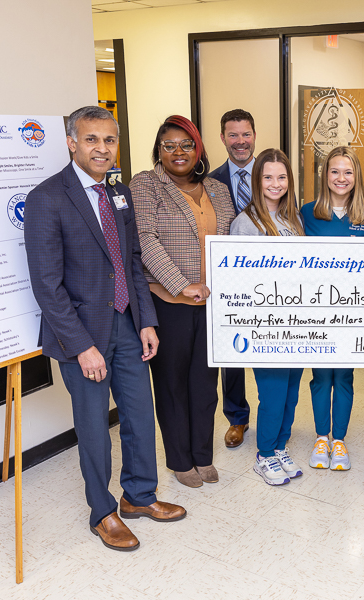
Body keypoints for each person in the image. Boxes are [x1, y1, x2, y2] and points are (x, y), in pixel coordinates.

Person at [24, 106, 186, 552]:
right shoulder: (46, 198)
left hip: (128, 325)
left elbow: (130, 261)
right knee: (94, 427)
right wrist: (81, 347)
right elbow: (47, 286)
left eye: (110, 140)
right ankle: (104, 512)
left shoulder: (119, 194)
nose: (102, 148)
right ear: (72, 143)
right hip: (82, 335)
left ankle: (139, 497)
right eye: (92, 139)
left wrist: (147, 321)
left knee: (138, 415)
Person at [131, 115, 235, 489]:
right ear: (158, 150)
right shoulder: (145, 185)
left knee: (205, 383)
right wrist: (182, 285)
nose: (178, 152)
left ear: (198, 149)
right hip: (168, 303)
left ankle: (202, 455)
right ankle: (179, 459)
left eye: (186, 144)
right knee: (172, 384)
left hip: (213, 304)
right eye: (169, 145)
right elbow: (145, 240)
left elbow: (230, 242)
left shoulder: (217, 189)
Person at [230, 148, 306, 486]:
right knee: (273, 393)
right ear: (257, 180)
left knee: (291, 391)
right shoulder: (245, 223)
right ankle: (264, 455)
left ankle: (278, 447)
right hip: (266, 327)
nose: (275, 184)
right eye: (268, 177)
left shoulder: (294, 219)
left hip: (297, 322)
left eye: (281, 177)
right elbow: (237, 281)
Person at [301, 146, 364, 471]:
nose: (341, 178)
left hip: (353, 313)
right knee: (320, 378)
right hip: (317, 311)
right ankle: (321, 436)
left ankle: (340, 440)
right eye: (335, 171)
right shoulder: (307, 212)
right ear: (324, 175)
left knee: (344, 377)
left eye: (348, 172)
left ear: (357, 177)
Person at [209, 109, 257, 449]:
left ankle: (274, 411)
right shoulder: (210, 182)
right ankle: (237, 418)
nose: (240, 141)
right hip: (229, 282)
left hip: (271, 279)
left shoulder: (274, 174)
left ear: (255, 134)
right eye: (233, 135)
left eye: (245, 134)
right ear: (223, 137)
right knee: (233, 354)